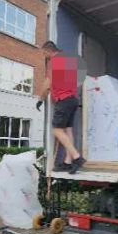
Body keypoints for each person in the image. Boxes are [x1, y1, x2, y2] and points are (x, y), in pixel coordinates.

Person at [37, 40, 85, 174]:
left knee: (57, 130)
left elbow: (47, 84)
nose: (45, 56)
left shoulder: (54, 62)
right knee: (68, 130)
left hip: (63, 100)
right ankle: (67, 162)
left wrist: (40, 99)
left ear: (48, 51)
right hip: (73, 99)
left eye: (44, 53)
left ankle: (77, 158)